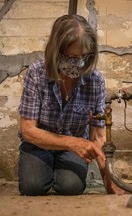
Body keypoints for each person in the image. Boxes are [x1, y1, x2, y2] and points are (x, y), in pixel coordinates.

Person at [18, 14, 124, 196]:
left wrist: (109, 179)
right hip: (40, 144)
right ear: (56, 51)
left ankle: (60, 171)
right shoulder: (36, 73)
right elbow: (28, 130)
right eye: (72, 57)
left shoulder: (95, 80)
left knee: (71, 187)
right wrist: (73, 143)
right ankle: (38, 167)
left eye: (84, 56)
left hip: (75, 143)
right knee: (33, 187)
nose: (80, 63)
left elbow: (98, 135)